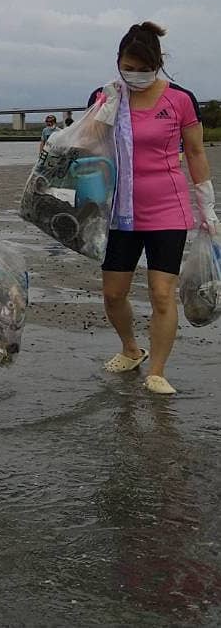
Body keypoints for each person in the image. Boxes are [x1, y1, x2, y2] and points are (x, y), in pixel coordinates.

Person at [94, 21, 217, 396]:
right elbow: (89, 148)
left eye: (142, 69)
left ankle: (157, 371)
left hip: (167, 207)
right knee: (114, 294)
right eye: (127, 68)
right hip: (119, 211)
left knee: (162, 293)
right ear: (118, 63)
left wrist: (207, 206)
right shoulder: (105, 97)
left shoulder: (179, 99)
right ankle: (132, 349)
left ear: (158, 63)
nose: (134, 76)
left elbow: (195, 152)